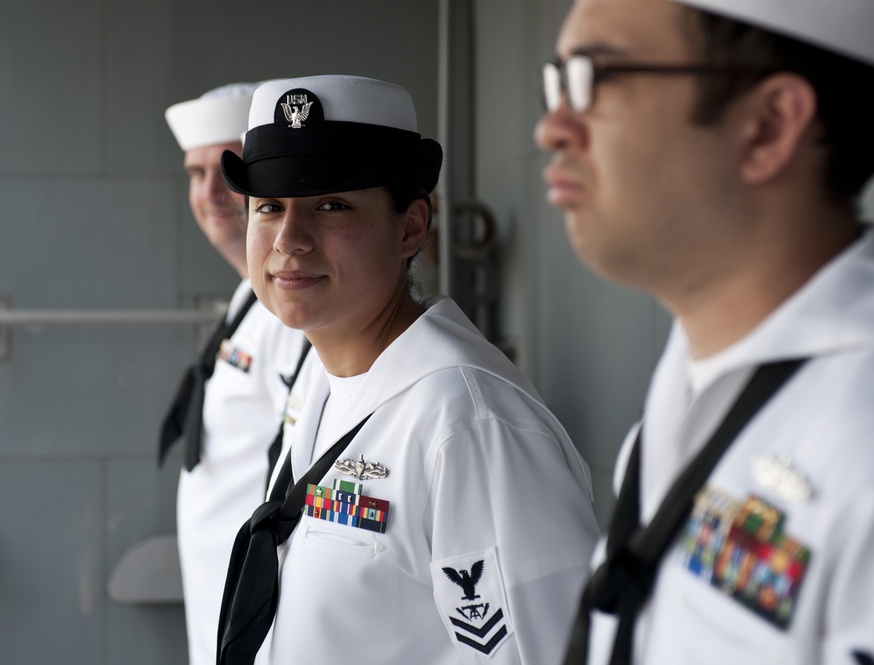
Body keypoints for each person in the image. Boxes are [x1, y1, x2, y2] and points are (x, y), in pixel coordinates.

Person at [535, 0, 874, 663]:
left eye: (595, 77)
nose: (552, 126)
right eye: (557, 81)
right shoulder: (701, 371)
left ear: (767, 126)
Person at [214, 74, 600, 665]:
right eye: (269, 207)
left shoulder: (469, 422)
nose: (289, 240)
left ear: (412, 227)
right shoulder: (328, 374)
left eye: (331, 205)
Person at [162, 83, 306, 665]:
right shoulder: (249, 295)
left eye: (227, 169)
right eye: (195, 174)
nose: (209, 192)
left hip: (264, 614)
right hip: (219, 594)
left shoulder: (295, 303)